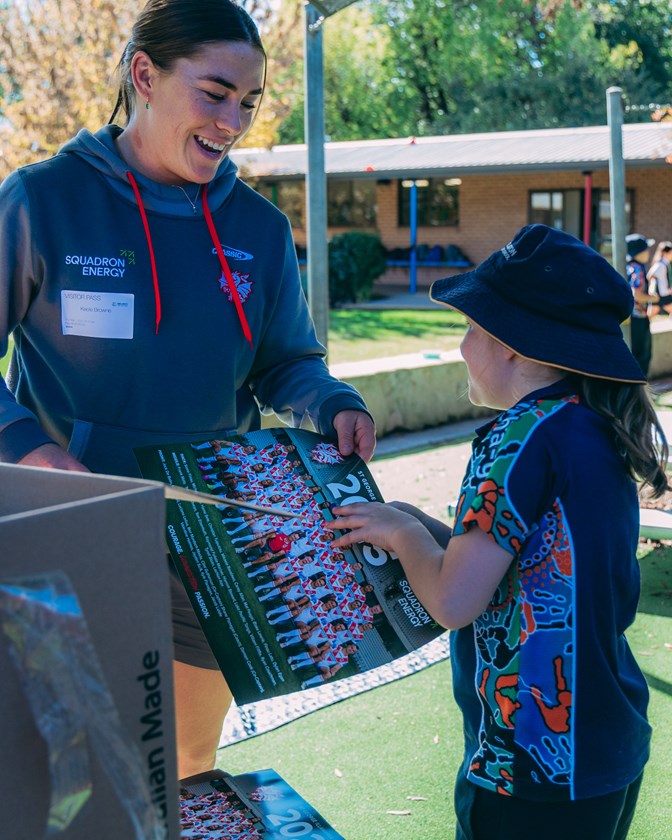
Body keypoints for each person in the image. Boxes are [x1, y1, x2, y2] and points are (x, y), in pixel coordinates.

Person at [0, 0, 375, 780]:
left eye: (250, 102)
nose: (233, 122)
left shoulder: (260, 230)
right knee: (67, 781)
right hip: (67, 532)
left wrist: (333, 402)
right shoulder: (39, 201)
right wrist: (30, 449)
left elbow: (286, 364)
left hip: (210, 548)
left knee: (186, 770)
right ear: (145, 76)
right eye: (214, 93)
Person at [331, 224, 666, 840]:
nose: (462, 347)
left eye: (470, 327)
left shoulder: (514, 441)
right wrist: (418, 525)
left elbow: (454, 601)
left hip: (529, 771)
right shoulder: (589, 424)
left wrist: (403, 538)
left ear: (513, 344)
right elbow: (528, 566)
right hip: (607, 751)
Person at [625, 232, 659, 377]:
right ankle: (639, 388)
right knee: (642, 356)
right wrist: (654, 298)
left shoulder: (628, 266)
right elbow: (636, 293)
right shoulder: (637, 268)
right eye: (646, 249)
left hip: (631, 318)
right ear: (638, 252)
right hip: (638, 318)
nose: (648, 252)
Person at [647, 240, 672, 316]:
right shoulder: (660, 264)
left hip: (663, 294)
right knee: (649, 315)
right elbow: (649, 276)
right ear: (665, 253)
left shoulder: (666, 264)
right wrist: (650, 290)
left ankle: (641, 322)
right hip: (661, 295)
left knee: (649, 315)